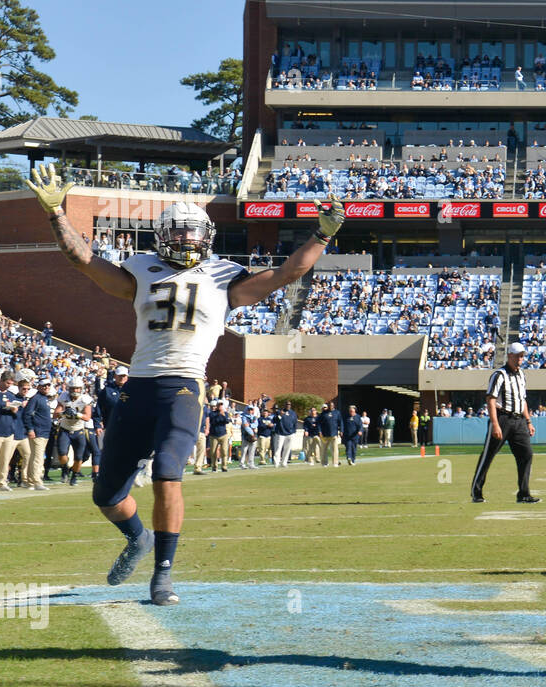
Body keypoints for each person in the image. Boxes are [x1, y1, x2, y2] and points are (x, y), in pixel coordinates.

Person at [25, 163, 345, 606]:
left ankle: (163, 576)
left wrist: (322, 235)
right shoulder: (140, 271)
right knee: (106, 494)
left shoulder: (224, 277)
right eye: (179, 232)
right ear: (161, 235)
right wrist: (56, 212)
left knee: (167, 472)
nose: (187, 240)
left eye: (194, 232)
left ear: (207, 236)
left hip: (185, 386)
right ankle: (138, 539)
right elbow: (83, 260)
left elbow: (288, 273)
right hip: (138, 387)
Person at [470, 342, 539, 503]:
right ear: (510, 356)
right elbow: (491, 400)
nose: (521, 359)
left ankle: (523, 494)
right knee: (488, 456)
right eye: (518, 355)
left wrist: (528, 421)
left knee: (526, 454)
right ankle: (476, 492)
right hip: (502, 419)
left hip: (519, 420)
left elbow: (523, 400)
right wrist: (495, 423)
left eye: (522, 356)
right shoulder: (499, 375)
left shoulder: (522, 375)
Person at [55, 376, 94, 486]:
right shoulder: (63, 397)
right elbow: (56, 414)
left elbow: (87, 417)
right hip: (65, 429)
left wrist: (77, 414)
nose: (75, 390)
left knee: (78, 457)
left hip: (78, 431)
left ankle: (74, 476)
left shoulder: (85, 399)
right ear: (69, 388)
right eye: (73, 388)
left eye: (77, 388)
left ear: (81, 389)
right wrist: (64, 413)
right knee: (62, 454)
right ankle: (64, 468)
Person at [207, 399, 231, 472]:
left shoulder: (225, 413)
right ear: (217, 406)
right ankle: (214, 467)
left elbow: (226, 421)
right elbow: (214, 421)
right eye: (219, 405)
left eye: (221, 405)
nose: (220, 406)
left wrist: (222, 414)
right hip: (214, 435)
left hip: (223, 434)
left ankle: (224, 466)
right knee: (213, 452)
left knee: (224, 451)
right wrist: (219, 414)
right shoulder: (212, 413)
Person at [274, 402, 298, 467]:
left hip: (290, 433)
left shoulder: (293, 413)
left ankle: (284, 462)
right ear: (284, 405)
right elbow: (274, 420)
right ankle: (276, 462)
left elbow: (295, 422)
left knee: (287, 449)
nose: (288, 405)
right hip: (280, 433)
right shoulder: (279, 412)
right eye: (287, 404)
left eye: (289, 404)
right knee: (278, 448)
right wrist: (280, 415)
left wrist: (294, 431)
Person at [318, 401, 341, 466]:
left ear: (333, 406)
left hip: (334, 434)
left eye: (332, 405)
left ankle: (335, 463)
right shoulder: (323, 414)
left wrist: (341, 430)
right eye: (329, 406)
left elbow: (340, 422)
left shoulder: (337, 413)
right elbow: (319, 424)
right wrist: (320, 431)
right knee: (324, 449)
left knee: (335, 449)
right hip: (325, 434)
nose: (331, 407)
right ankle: (324, 463)